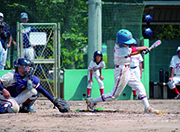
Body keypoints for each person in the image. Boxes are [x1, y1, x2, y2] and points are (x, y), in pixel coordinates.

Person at [86, 29, 161, 113]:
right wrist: (144, 48)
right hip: (121, 71)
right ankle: (92, 101)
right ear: (121, 42)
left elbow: (132, 53)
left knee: (140, 86)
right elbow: (133, 50)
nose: (128, 44)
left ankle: (147, 107)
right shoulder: (120, 49)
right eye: (127, 42)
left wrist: (142, 51)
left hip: (127, 69)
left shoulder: (122, 45)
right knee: (113, 95)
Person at [0, 58, 69, 114]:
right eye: (26, 66)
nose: (29, 68)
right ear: (19, 68)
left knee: (34, 92)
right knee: (14, 108)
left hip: (16, 97)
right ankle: (4, 107)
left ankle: (25, 107)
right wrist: (3, 90)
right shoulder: (10, 76)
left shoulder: (30, 78)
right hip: (4, 97)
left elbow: (41, 89)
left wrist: (54, 101)